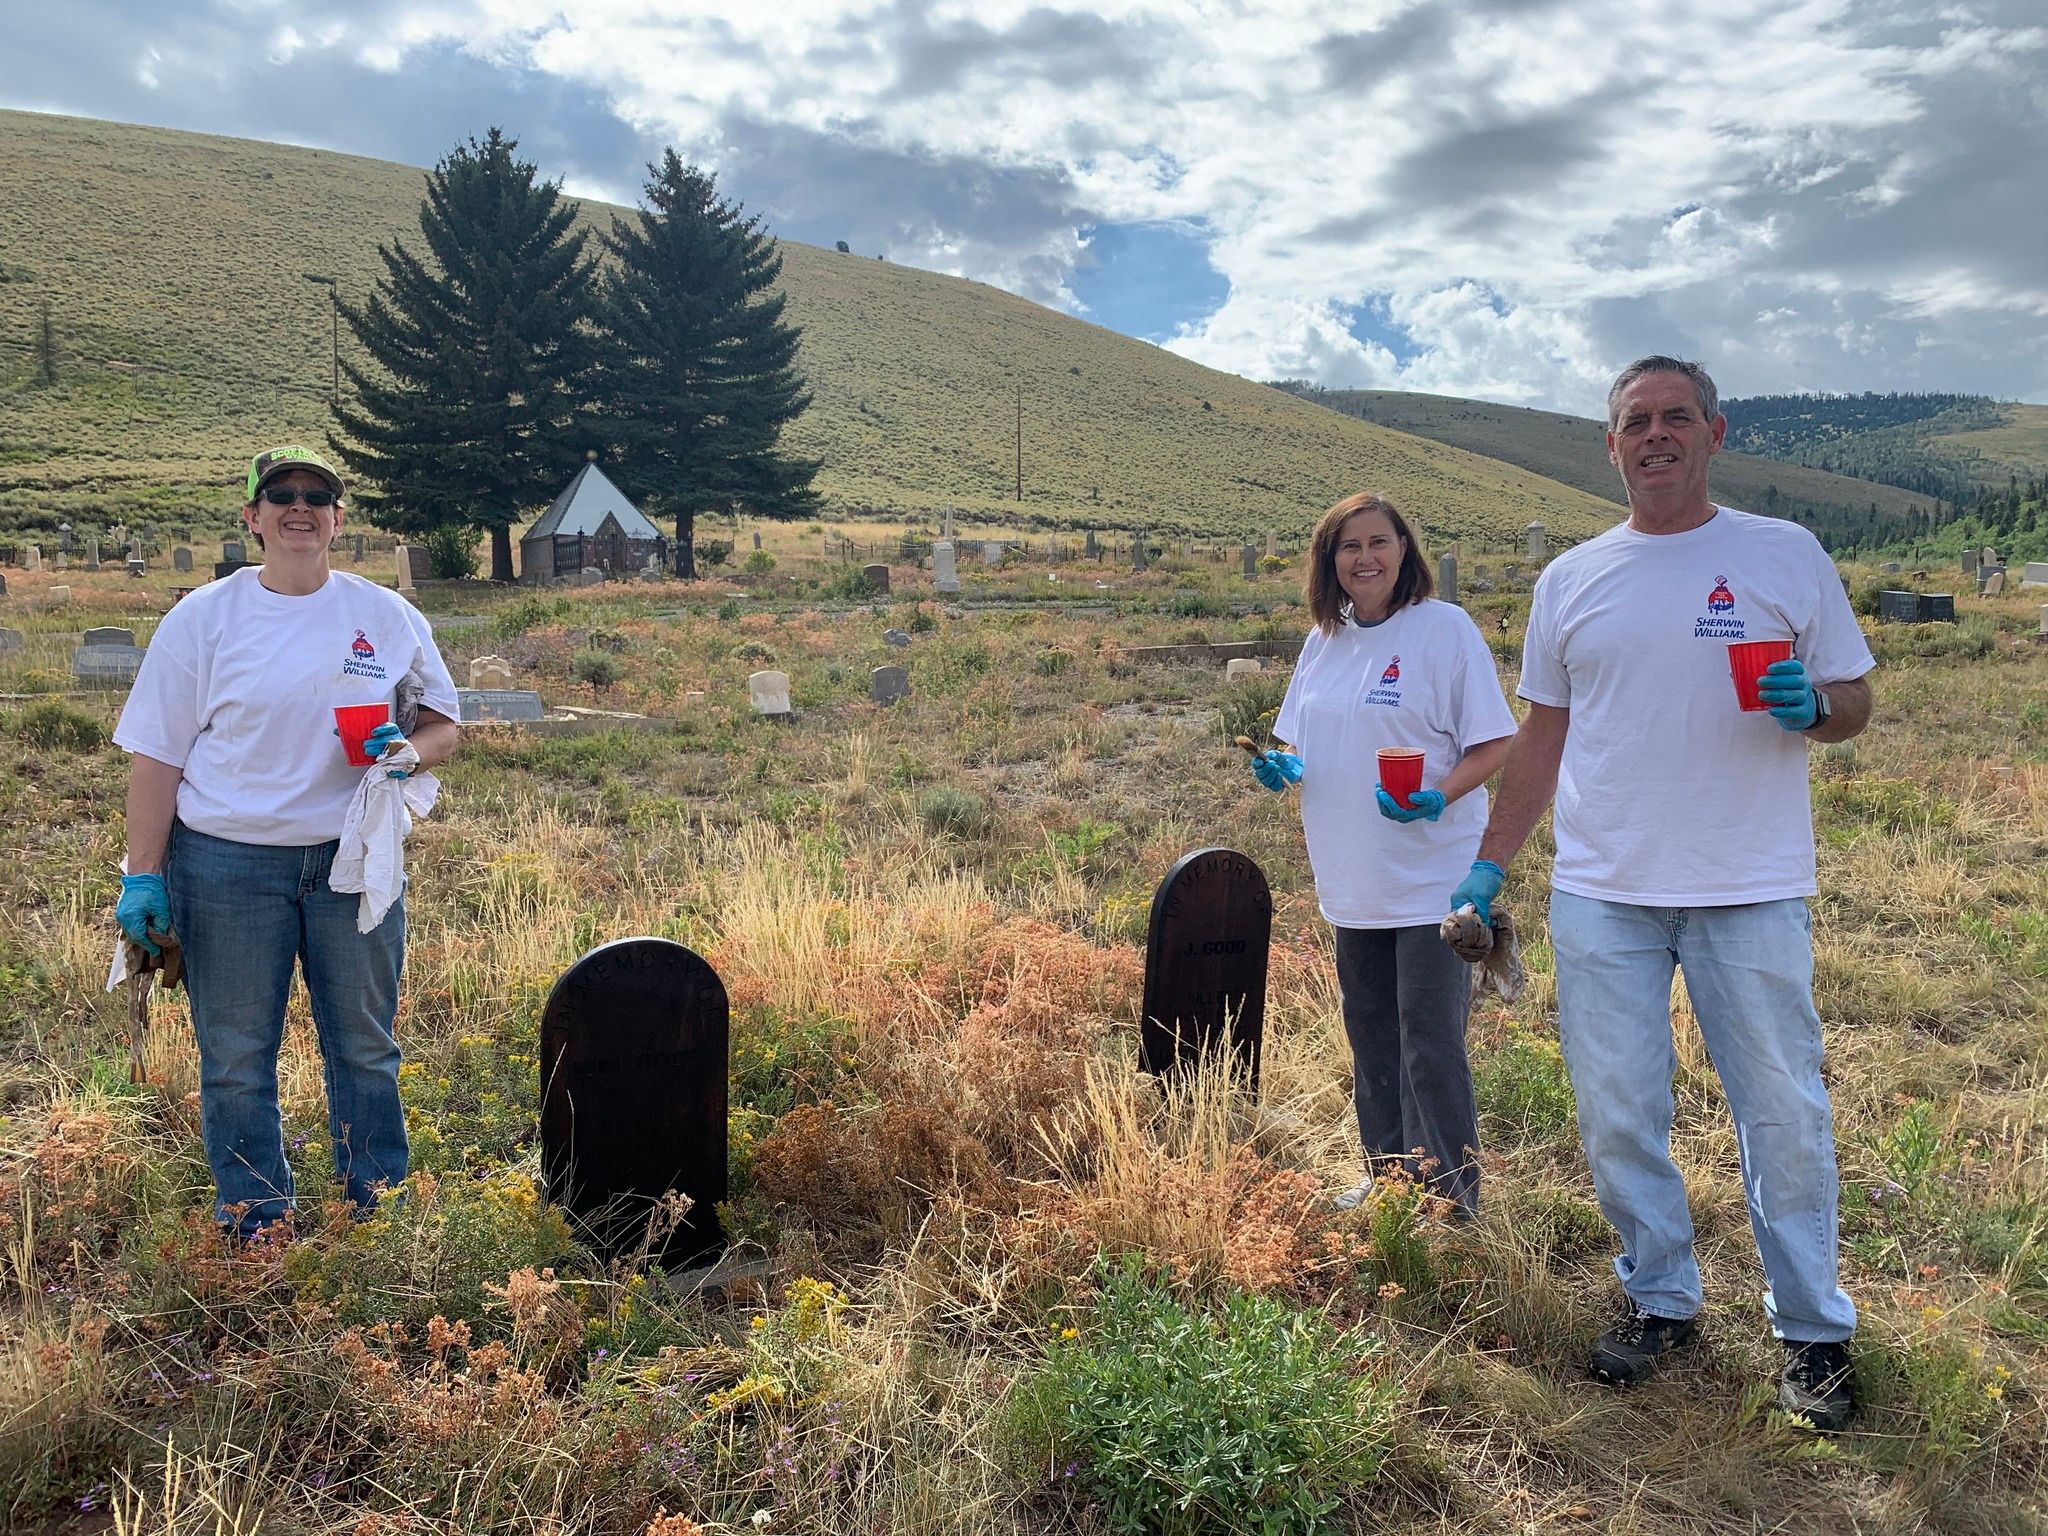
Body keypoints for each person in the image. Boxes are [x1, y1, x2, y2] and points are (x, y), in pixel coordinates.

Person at [1449, 356, 1874, 1430]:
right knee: (1618, 1110)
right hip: (1604, 892)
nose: (1653, 436)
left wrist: (1811, 703)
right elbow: (1542, 735)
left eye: (1672, 417)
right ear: (1609, 444)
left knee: (1780, 1112)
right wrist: (1490, 860)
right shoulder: (1571, 580)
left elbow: (1855, 696)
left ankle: (1812, 1333)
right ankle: (1659, 1299)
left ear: (1712, 433)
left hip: (1747, 884)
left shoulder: (1780, 553)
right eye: (1632, 421)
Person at [113, 446, 460, 1241]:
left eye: (317, 496)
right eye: (281, 496)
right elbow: (156, 757)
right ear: (252, 518)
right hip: (228, 866)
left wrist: (407, 753)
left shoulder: (384, 616)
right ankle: (256, 1221)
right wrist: (145, 876)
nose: (298, 507)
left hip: (350, 859)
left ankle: (377, 1212)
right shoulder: (202, 622)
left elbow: (442, 723)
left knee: (365, 1047)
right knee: (236, 1057)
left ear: (339, 519)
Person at [1254, 492, 1516, 1216]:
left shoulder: (1444, 630)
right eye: (1348, 546)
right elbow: (1298, 743)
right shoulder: (1324, 639)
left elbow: (1496, 740)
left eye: (1379, 542)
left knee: (1429, 1040)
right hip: (1351, 871)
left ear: (1405, 550)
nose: (1364, 558)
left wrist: (1441, 793)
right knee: (1370, 1032)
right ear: (1328, 561)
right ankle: (1390, 1181)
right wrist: (1284, 766)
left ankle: (1453, 1203)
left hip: (1432, 872)